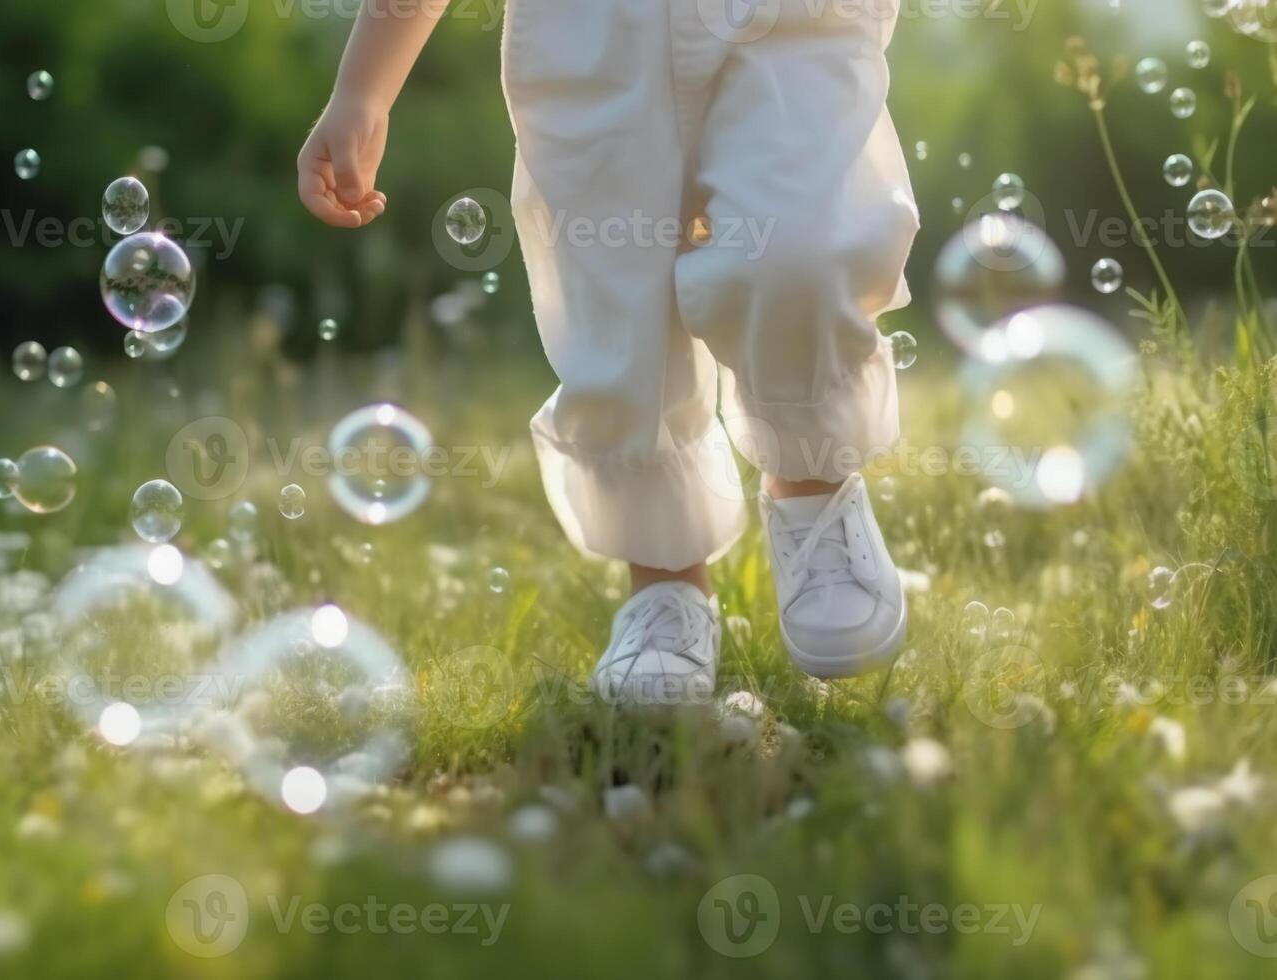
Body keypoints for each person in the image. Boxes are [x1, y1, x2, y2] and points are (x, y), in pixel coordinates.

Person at [298, 0, 919, 704]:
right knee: (617, 308)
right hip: (586, 32)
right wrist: (363, 89)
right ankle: (665, 586)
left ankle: (814, 498)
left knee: (802, 241)